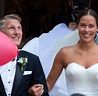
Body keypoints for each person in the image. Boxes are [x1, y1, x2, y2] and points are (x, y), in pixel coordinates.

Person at [47, 8, 98, 95]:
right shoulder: (65, 53)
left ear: (97, 28)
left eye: (91, 26)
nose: (86, 30)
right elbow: (49, 84)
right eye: (82, 25)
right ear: (77, 26)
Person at [0, 14, 49, 96]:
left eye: (19, 28)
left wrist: (32, 93)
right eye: (11, 28)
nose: (17, 32)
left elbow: (44, 93)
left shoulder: (32, 60)